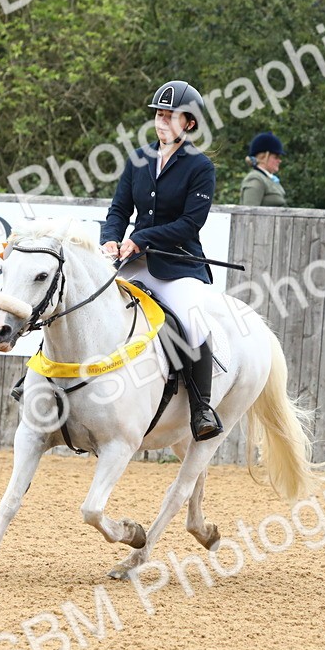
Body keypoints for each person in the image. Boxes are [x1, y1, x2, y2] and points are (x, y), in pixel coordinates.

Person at [100, 80, 224, 441]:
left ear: (190, 123)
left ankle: (201, 407)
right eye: (159, 115)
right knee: (84, 300)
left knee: (192, 320)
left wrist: (140, 238)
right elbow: (119, 209)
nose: (162, 122)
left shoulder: (200, 167)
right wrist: (110, 240)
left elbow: (190, 223)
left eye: (171, 116)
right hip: (134, 262)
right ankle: (44, 380)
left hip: (178, 265)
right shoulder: (138, 159)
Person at [240, 131, 287, 206]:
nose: (279, 161)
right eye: (276, 157)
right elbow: (249, 212)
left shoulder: (268, 178)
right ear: (264, 157)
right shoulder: (255, 179)